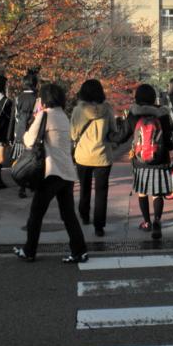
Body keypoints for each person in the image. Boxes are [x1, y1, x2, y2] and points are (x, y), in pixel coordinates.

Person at [13, 83, 88, 263]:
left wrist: (36, 116)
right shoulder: (64, 116)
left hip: (50, 172)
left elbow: (29, 140)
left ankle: (29, 251)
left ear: (44, 99)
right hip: (67, 172)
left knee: (36, 214)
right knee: (68, 215)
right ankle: (79, 251)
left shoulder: (44, 115)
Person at [116, 83, 173, 241]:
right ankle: (157, 221)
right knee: (157, 193)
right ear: (153, 97)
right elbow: (167, 138)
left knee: (142, 192)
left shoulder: (133, 114)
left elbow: (122, 135)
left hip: (140, 161)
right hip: (160, 159)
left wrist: (109, 137)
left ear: (137, 97)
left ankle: (146, 222)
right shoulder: (162, 114)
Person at [70, 79, 118, 237]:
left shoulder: (78, 110)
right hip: (103, 156)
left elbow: (73, 134)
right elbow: (113, 131)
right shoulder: (107, 109)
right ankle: (99, 226)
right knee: (101, 192)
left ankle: (84, 216)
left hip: (83, 156)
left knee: (84, 188)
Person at [10, 70, 38, 198]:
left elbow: (15, 116)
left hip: (19, 131)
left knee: (20, 159)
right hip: (33, 132)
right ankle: (33, 184)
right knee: (33, 159)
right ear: (35, 84)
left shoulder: (18, 98)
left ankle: (21, 187)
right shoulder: (37, 99)